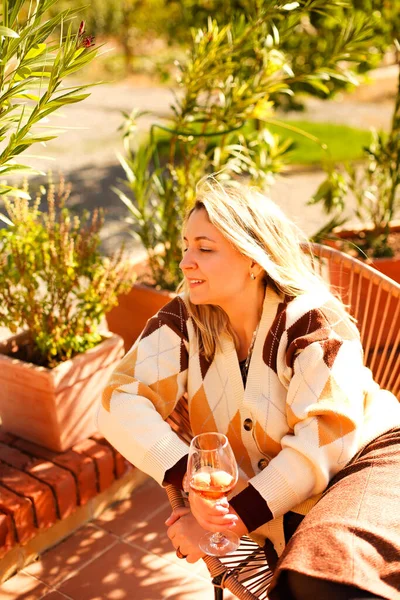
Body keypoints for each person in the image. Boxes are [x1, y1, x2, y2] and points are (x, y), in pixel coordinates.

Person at [97, 178, 400, 600]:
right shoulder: (185, 320)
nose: (185, 262)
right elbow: (117, 400)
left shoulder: (314, 322)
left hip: (371, 462)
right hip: (289, 508)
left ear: (254, 260)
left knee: (326, 574)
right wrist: (191, 475)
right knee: (305, 580)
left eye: (204, 248)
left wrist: (227, 519)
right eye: (185, 246)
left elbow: (326, 438)